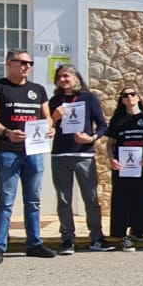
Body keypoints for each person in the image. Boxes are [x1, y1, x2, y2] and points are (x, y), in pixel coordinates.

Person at [0, 49, 58, 264]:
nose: (27, 66)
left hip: (34, 152)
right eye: (22, 62)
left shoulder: (38, 90)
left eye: (30, 63)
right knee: (6, 200)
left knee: (33, 200)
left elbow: (47, 117)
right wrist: (7, 132)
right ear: (9, 63)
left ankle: (34, 243)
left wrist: (50, 128)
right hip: (8, 152)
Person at [48, 64, 112, 254]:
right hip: (60, 155)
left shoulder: (89, 98)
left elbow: (102, 125)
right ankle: (67, 239)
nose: (62, 79)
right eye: (59, 76)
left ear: (76, 78)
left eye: (66, 76)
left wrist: (91, 138)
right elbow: (46, 128)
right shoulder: (54, 101)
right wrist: (54, 116)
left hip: (84, 154)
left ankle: (96, 238)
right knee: (63, 199)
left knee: (91, 198)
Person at [106, 86, 143, 251]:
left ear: (138, 97)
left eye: (132, 94)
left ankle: (138, 230)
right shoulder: (117, 119)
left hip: (141, 164)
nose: (129, 97)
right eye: (125, 95)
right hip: (122, 166)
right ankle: (120, 232)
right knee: (121, 197)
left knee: (140, 196)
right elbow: (110, 143)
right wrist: (112, 159)